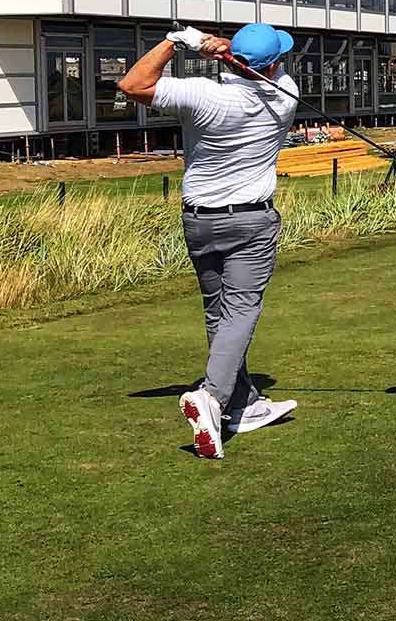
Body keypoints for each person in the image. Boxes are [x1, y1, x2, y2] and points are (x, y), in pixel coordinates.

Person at [117, 23, 300, 459]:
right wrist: (220, 54)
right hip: (251, 221)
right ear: (274, 64)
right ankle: (214, 397)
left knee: (218, 311)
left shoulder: (204, 96)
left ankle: (244, 402)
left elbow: (133, 84)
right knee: (240, 310)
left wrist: (177, 42)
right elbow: (257, 74)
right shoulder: (287, 93)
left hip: (200, 221)